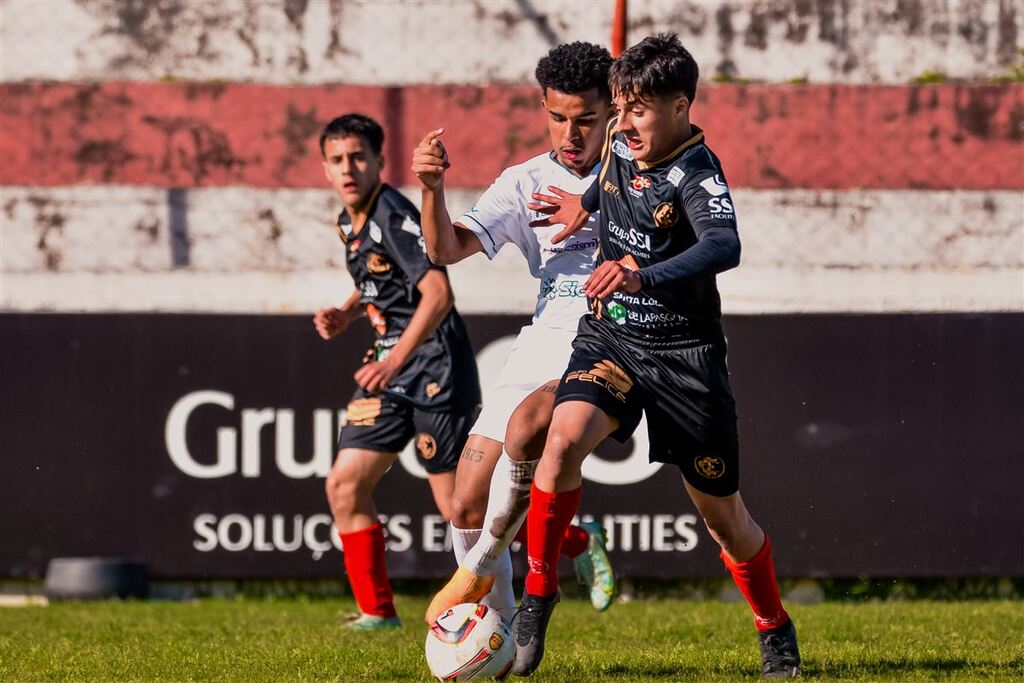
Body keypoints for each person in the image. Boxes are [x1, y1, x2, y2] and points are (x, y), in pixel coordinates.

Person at [510, 34, 802, 678]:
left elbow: (724, 246)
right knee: (560, 441)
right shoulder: (621, 143)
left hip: (684, 357)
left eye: (638, 110)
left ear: (680, 106)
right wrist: (582, 204)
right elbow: (609, 182)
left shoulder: (698, 172)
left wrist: (641, 274)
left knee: (725, 522)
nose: (623, 123)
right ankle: (538, 593)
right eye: (620, 108)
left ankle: (773, 625)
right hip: (612, 337)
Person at [410, 42, 617, 624]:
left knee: (528, 438)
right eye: (558, 118)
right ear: (543, 109)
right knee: (466, 502)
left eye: (586, 120)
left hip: (614, 334)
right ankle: (497, 633)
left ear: (612, 112)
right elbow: (445, 250)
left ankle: (519, 611)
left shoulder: (637, 170)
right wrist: (431, 188)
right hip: (546, 332)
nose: (570, 134)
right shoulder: (524, 182)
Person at [314, 113, 481, 630]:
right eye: (338, 160)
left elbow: (437, 293)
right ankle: (378, 613)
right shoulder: (348, 221)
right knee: (344, 485)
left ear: (379, 162)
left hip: (434, 366)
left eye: (358, 157)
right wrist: (348, 313)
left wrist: (392, 360)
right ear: (325, 169)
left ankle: (575, 538)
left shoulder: (391, 213)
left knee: (460, 511)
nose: (348, 169)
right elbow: (383, 281)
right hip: (391, 368)